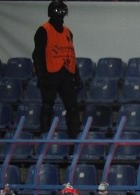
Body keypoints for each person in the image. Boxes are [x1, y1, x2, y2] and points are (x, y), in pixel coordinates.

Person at [32, 0, 82, 139]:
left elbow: (71, 55)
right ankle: (45, 137)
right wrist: (41, 76)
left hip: (66, 73)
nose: (60, 15)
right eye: (57, 11)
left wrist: (77, 77)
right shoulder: (43, 30)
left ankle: (74, 138)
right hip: (50, 74)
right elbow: (38, 55)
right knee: (47, 106)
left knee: (72, 108)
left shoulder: (68, 32)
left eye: (62, 11)